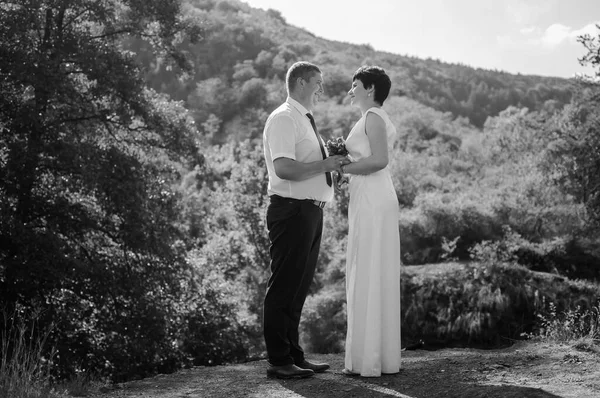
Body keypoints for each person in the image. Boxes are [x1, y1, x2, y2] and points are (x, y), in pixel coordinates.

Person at [262, 61, 350, 379]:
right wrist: (324, 163)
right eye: (317, 82)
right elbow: (284, 168)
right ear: (300, 83)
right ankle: (278, 360)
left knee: (298, 288)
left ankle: (294, 355)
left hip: (310, 212)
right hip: (292, 211)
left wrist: (330, 168)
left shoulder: (304, 119)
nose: (321, 89)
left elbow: (308, 166)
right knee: (284, 286)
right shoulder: (284, 118)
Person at [339, 66, 401, 377]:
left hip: (374, 198)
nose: (351, 90)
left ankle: (371, 359)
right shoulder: (369, 117)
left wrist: (341, 168)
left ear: (371, 89)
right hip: (369, 195)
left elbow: (379, 161)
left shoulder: (374, 117)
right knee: (368, 268)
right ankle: (373, 356)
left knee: (369, 267)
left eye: (356, 85)